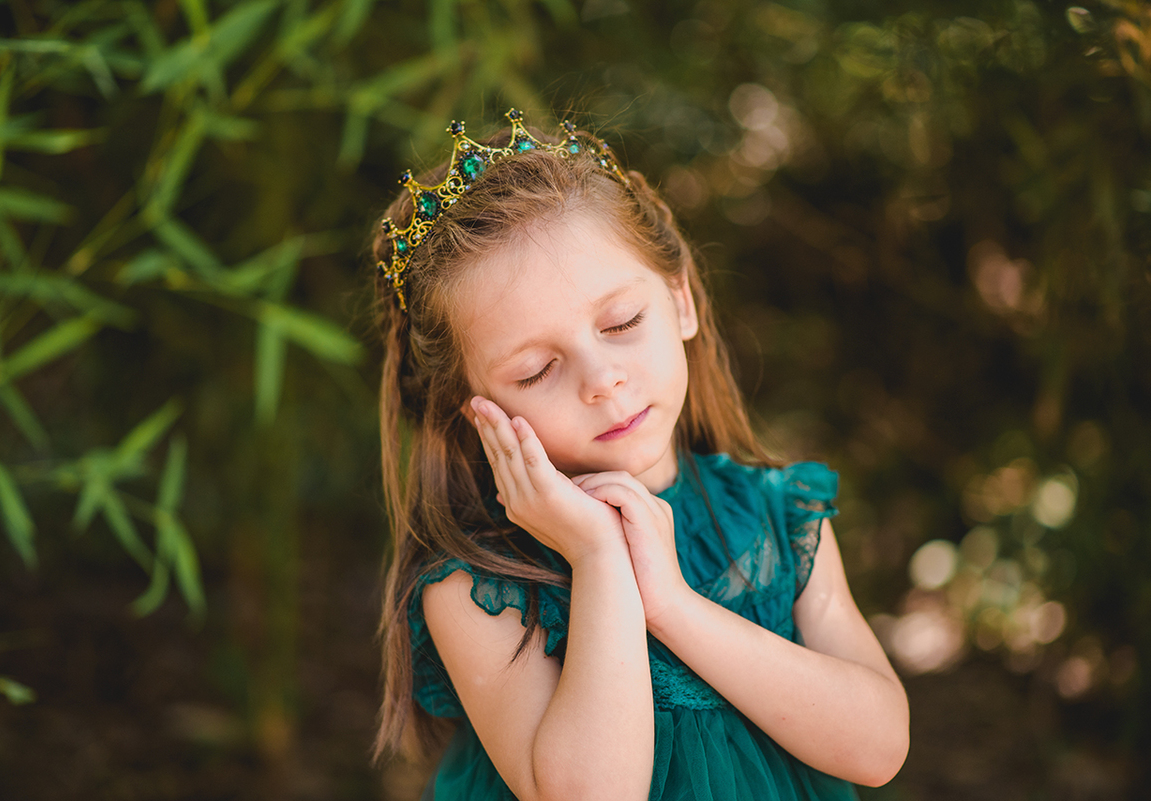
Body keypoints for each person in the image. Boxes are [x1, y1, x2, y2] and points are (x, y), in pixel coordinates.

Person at [370, 109, 909, 801]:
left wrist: (673, 606)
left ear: (681, 300)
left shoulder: (782, 517)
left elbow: (879, 745)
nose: (602, 380)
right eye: (537, 369)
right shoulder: (477, 584)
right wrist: (600, 560)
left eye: (621, 323)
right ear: (470, 407)